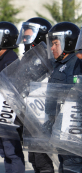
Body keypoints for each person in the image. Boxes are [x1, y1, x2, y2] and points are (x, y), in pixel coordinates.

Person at [17, 17, 56, 173]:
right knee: (34, 159)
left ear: (39, 36)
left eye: (29, 35)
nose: (25, 39)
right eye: (24, 35)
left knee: (42, 160)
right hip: (30, 116)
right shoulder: (29, 58)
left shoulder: (47, 59)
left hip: (42, 118)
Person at [0, 21, 25, 173]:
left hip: (7, 112)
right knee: (4, 151)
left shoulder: (11, 59)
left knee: (12, 151)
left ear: (5, 40)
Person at [46, 21, 82, 173]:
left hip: (72, 131)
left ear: (67, 42)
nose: (52, 48)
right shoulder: (60, 64)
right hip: (61, 129)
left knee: (71, 167)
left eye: (55, 43)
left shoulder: (75, 65)